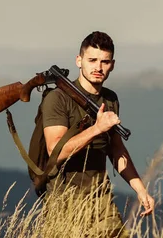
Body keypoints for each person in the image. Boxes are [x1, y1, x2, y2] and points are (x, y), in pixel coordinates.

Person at [41, 31, 155, 216]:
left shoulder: (110, 99)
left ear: (112, 65)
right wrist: (97, 129)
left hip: (100, 197)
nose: (98, 67)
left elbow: (116, 149)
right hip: (63, 199)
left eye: (105, 62)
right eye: (92, 60)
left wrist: (141, 190)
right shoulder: (58, 98)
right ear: (79, 60)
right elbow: (56, 151)